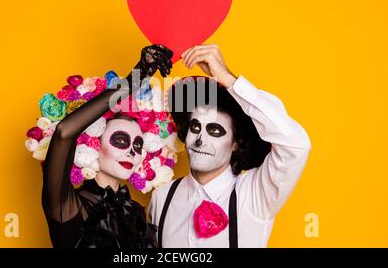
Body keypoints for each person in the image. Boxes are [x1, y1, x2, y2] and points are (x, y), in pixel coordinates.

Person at [148, 44, 312, 247]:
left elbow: (295, 144)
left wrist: (229, 80)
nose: (200, 139)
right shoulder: (162, 197)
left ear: (235, 144)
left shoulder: (255, 194)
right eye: (196, 126)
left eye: (215, 131)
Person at [42, 44, 173, 248]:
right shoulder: (67, 205)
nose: (132, 151)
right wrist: (134, 80)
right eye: (120, 140)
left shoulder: (136, 212)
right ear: (94, 143)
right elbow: (64, 133)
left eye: (138, 145)